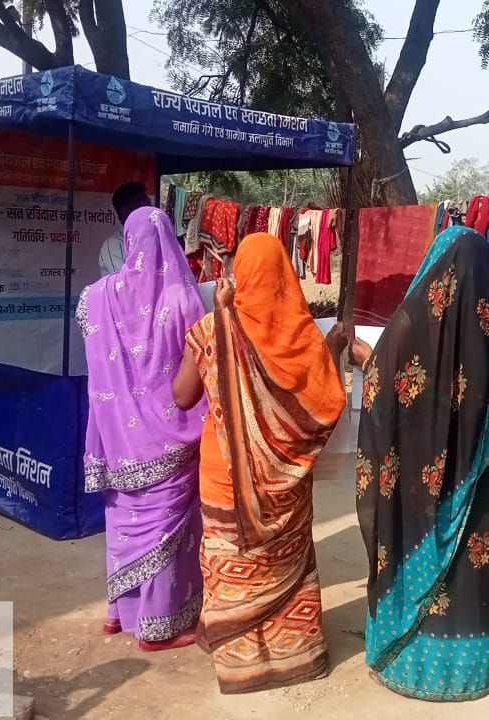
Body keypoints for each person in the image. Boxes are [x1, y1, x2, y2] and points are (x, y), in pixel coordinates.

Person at [172, 232, 349, 694]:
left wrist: (221, 317)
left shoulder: (212, 330)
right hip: (287, 481)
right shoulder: (305, 339)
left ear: (240, 276)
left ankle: (239, 660)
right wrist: (333, 348)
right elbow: (324, 404)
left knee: (231, 557)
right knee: (285, 562)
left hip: (224, 475)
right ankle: (296, 653)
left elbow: (182, 395)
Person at [354, 226, 489, 702]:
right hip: (474, 471)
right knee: (471, 559)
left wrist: (368, 359)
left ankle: (410, 663)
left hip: (420, 474)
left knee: (415, 548)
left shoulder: (411, 321)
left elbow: (386, 383)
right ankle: (472, 668)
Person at [76, 206, 205, 652]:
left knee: (124, 521)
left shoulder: (95, 297)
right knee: (168, 528)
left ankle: (118, 613)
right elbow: (200, 363)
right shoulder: (184, 298)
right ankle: (157, 627)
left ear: (128, 242)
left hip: (117, 438)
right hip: (172, 437)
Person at [99, 182, 154, 275]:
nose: (149, 213)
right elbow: (127, 280)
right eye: (142, 208)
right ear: (125, 211)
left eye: (149, 207)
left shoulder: (152, 238)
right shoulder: (114, 244)